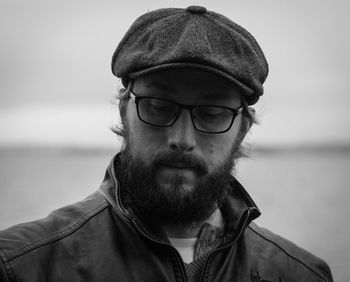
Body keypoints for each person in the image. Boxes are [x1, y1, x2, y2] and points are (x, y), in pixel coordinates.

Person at [0, 6, 333, 282]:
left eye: (212, 113)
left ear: (243, 128)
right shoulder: (20, 266)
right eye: (159, 106)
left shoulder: (299, 273)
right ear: (124, 111)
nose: (181, 140)